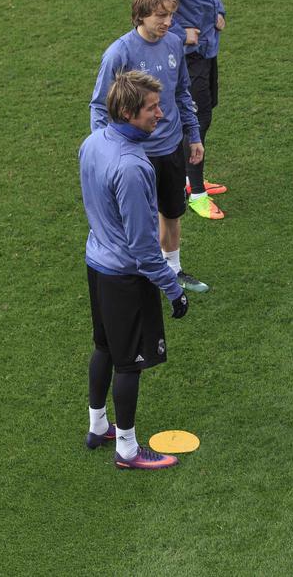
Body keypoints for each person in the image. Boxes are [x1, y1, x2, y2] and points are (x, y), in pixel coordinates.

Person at [81, 70, 190, 470]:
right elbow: (145, 249)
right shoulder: (133, 166)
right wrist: (173, 289)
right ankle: (126, 449)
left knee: (105, 347)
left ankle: (98, 426)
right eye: (151, 108)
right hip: (126, 277)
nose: (160, 114)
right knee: (129, 362)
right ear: (127, 112)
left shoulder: (92, 142)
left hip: (97, 262)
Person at [89, 0, 209, 293]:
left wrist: (193, 135)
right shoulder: (120, 52)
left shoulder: (173, 44)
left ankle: (173, 269)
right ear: (140, 15)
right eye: (160, 15)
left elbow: (182, 92)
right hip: (134, 154)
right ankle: (141, 272)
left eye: (171, 15)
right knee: (137, 219)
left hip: (170, 147)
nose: (168, 22)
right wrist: (105, 152)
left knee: (172, 212)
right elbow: (100, 105)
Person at [148, 0, 229, 221]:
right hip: (187, 55)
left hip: (208, 47)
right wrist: (181, 33)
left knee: (208, 109)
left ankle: (189, 178)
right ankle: (195, 192)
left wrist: (219, 13)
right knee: (197, 119)